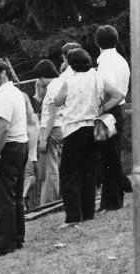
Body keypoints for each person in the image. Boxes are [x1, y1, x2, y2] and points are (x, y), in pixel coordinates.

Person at [53, 49, 125, 227]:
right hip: (93, 127)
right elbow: (119, 94)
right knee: (89, 171)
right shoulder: (98, 78)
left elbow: (57, 101)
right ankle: (88, 212)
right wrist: (104, 107)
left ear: (72, 65)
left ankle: (73, 216)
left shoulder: (70, 82)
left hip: (73, 128)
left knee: (69, 173)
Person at [0, 57, 37, 257]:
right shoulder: (15, 92)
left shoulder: (4, 95)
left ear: (3, 73)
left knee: (5, 198)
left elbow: (3, 127)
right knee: (15, 197)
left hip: (8, 148)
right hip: (19, 145)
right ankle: (17, 238)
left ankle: (5, 245)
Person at [94, 25, 131, 210]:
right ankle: (113, 198)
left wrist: (102, 107)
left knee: (109, 157)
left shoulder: (105, 63)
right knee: (112, 156)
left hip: (110, 110)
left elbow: (105, 88)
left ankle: (112, 201)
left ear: (97, 42)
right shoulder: (121, 60)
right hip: (119, 110)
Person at [21, 59, 62, 205]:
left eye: (39, 77)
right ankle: (59, 198)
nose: (39, 80)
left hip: (52, 130)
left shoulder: (52, 87)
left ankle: (48, 202)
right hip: (61, 128)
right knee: (57, 166)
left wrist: (44, 139)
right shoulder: (61, 83)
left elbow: (52, 115)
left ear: (44, 76)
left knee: (49, 170)